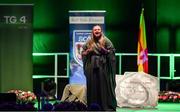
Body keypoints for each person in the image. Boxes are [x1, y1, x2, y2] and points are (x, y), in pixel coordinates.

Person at [81, 25, 117, 111]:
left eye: (98, 29)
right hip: (92, 66)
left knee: (103, 86)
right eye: (95, 30)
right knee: (92, 86)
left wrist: (105, 51)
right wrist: (87, 52)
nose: (97, 31)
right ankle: (93, 106)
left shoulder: (106, 40)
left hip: (103, 66)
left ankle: (104, 105)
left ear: (101, 31)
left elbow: (112, 51)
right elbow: (82, 52)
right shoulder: (89, 41)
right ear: (93, 31)